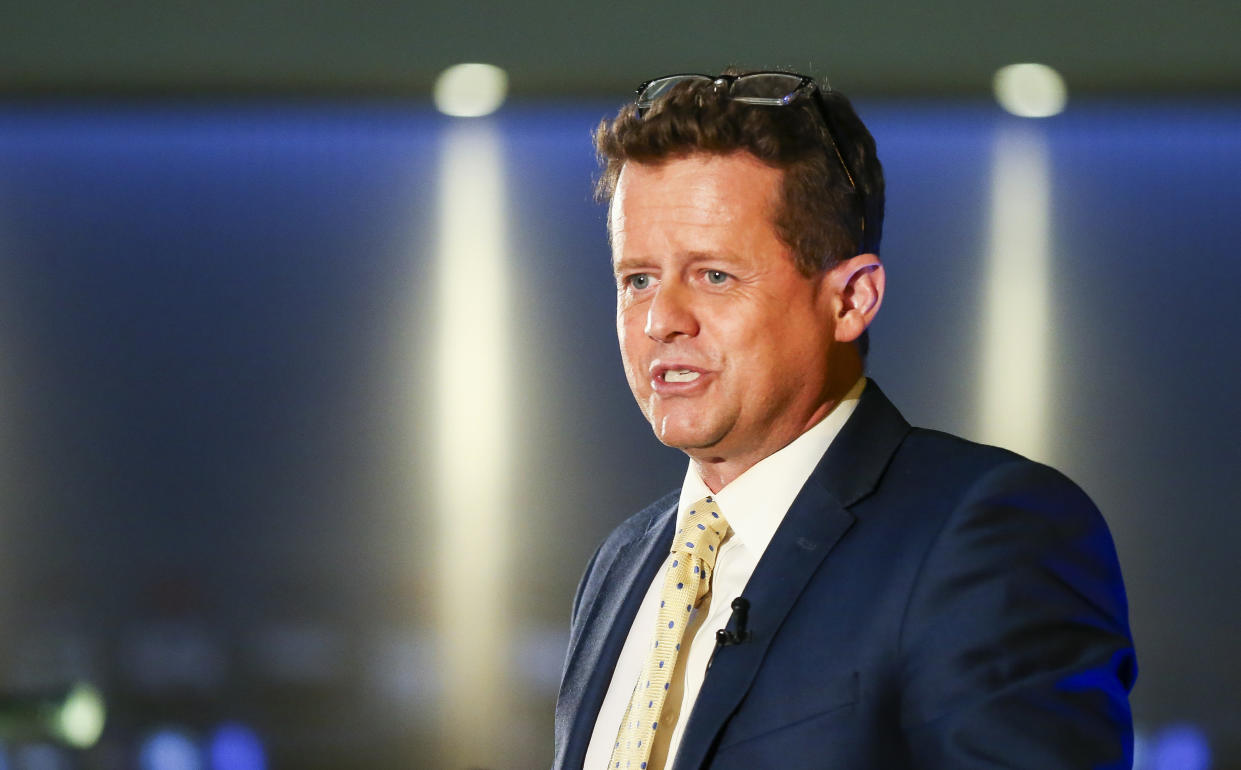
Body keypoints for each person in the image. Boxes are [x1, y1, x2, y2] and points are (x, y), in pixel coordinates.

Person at [553, 71, 1136, 770]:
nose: (659, 321)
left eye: (713, 276)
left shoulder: (989, 534)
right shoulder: (621, 564)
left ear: (851, 299)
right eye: (637, 278)